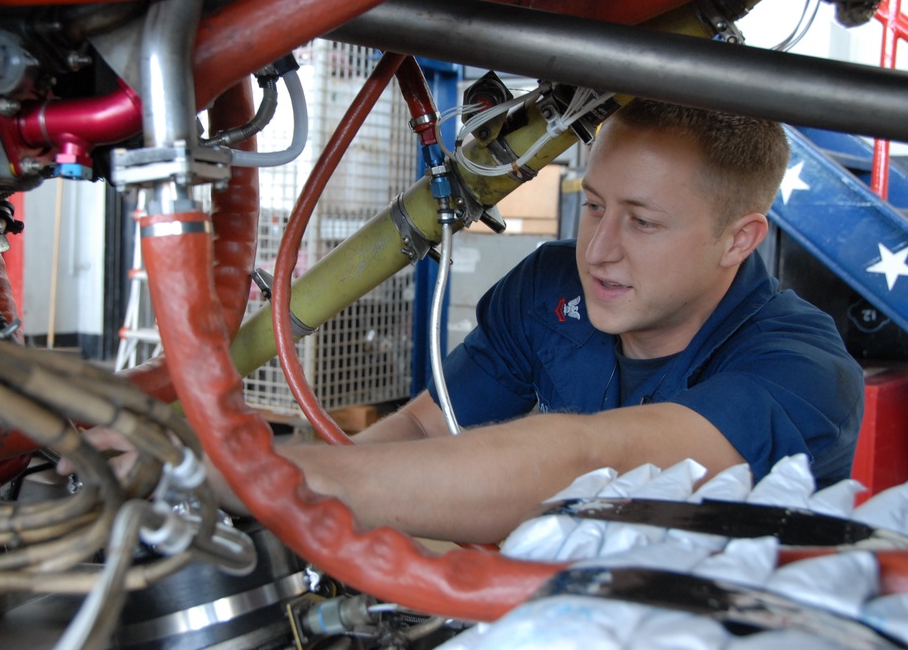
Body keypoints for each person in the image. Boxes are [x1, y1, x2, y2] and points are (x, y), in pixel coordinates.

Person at [276, 98, 865, 545]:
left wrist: (280, 481)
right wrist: (317, 494)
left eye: (643, 222)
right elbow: (425, 430)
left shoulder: (802, 370)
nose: (597, 251)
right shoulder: (551, 287)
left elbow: (588, 463)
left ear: (739, 240)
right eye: (594, 206)